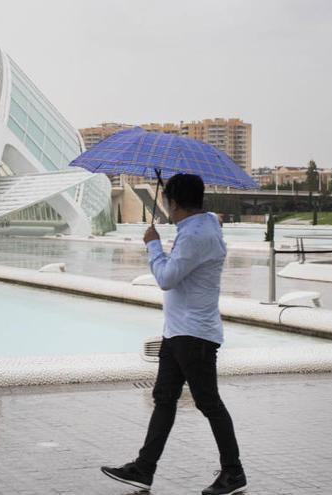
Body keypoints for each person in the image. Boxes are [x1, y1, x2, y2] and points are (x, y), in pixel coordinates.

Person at [101, 174, 248, 495]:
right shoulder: (199, 227)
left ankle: (233, 473)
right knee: (164, 399)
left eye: (168, 200)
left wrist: (153, 245)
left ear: (175, 203)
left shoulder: (197, 235)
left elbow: (167, 277)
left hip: (193, 335)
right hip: (178, 332)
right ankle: (144, 468)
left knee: (208, 402)